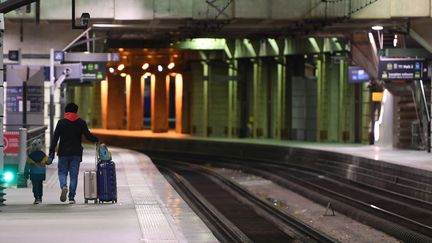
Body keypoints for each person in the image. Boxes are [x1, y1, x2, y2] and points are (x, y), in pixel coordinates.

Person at [49, 102, 99, 204]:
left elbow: (55, 138)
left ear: (66, 111)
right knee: (74, 175)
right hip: (76, 153)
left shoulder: (61, 122)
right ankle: (71, 197)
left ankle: (64, 186)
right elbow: (88, 136)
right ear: (76, 111)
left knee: (62, 172)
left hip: (63, 152)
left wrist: (51, 151)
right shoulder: (81, 122)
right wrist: (96, 140)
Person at [24, 139, 51, 205]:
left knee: (35, 186)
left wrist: (26, 173)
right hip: (41, 174)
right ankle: (40, 197)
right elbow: (49, 161)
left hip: (33, 174)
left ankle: (36, 198)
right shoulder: (43, 155)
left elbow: (27, 166)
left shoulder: (30, 156)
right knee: (40, 185)